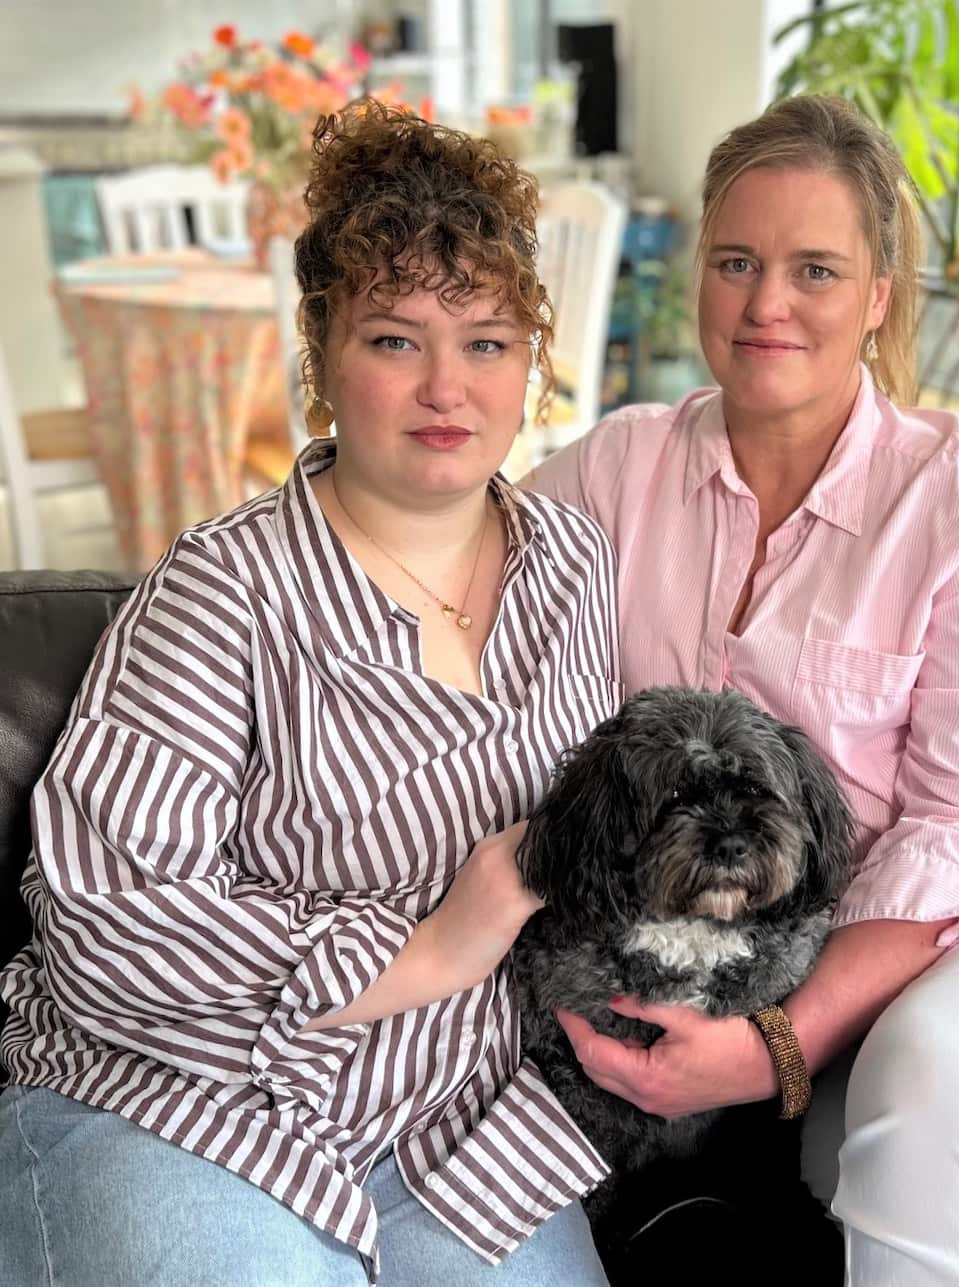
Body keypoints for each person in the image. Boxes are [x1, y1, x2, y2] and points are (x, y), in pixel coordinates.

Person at [530, 94, 959, 1286]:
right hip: (822, 943)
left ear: (875, 300)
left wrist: (775, 1053)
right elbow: (451, 587)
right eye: (736, 262)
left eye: (814, 268)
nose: (766, 304)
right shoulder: (612, 468)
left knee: (929, 1085)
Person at [0, 101, 618, 1287]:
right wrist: (430, 952)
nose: (447, 384)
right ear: (324, 355)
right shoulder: (220, 588)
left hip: (450, 1124)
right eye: (396, 340)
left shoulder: (574, 570)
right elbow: (101, 919)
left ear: (528, 363)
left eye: (486, 341)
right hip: (179, 1099)